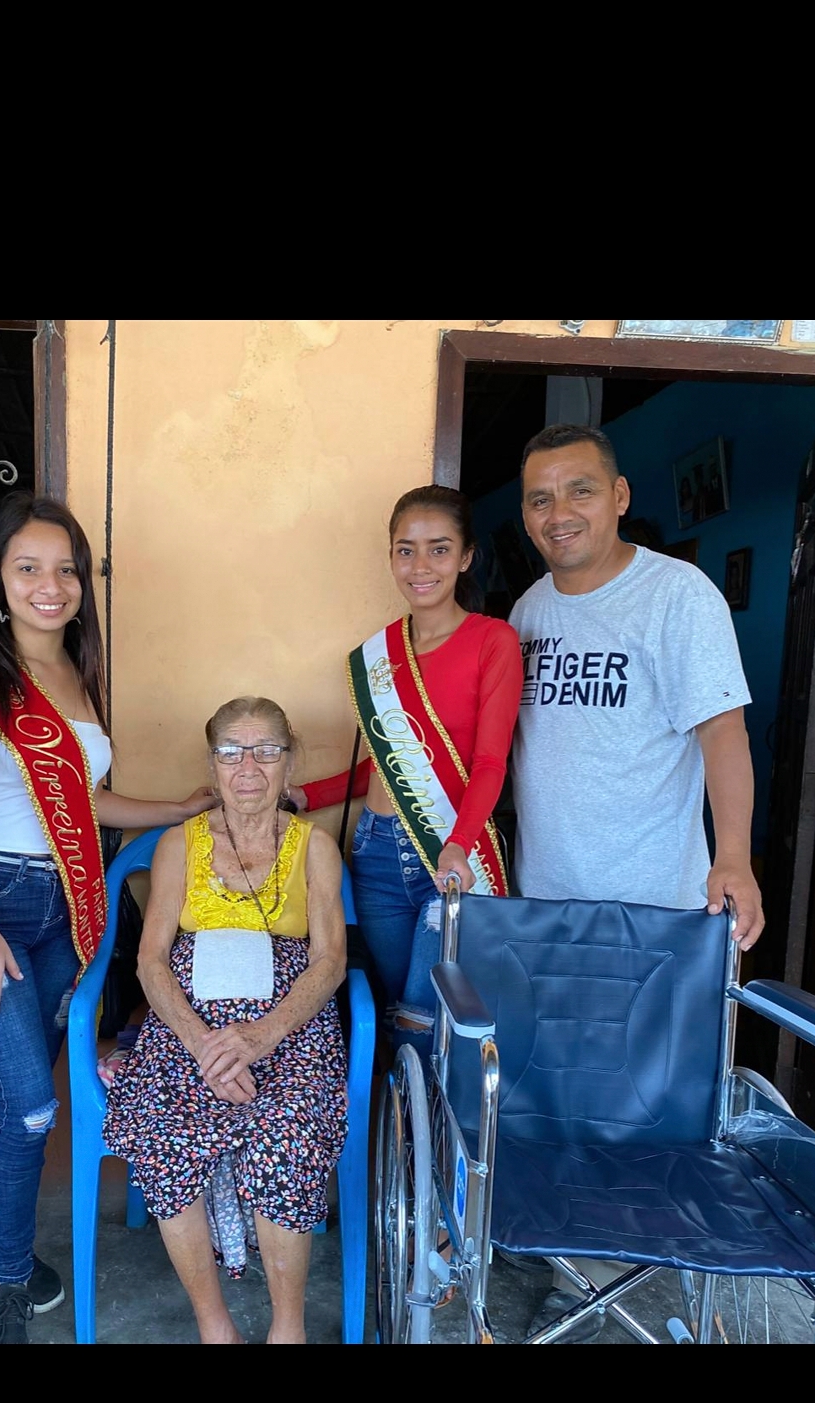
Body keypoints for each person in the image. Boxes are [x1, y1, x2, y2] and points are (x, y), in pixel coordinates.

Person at [0, 494, 212, 1346]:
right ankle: (8, 1286)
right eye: (28, 568)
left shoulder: (80, 676)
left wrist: (178, 808)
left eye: (66, 570)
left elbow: (84, 802)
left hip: (67, 912)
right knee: (31, 1105)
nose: (49, 586)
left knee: (25, 1095)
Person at [511, 422, 765, 1339]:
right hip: (547, 903)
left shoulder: (676, 595)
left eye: (580, 490)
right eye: (540, 498)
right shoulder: (529, 611)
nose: (559, 513)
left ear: (619, 497)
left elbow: (723, 732)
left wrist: (732, 855)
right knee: (558, 1087)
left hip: (655, 904)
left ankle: (622, 1259)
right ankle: (570, 1256)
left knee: (640, 1099)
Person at [107, 699, 348, 1345]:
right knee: (165, 1132)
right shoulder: (179, 846)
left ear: (289, 763)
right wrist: (204, 1046)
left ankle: (288, 1330)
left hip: (290, 1027)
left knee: (285, 1134)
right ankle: (216, 1329)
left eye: (266, 751)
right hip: (188, 1026)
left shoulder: (316, 848)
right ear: (212, 766)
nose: (248, 768)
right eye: (231, 752)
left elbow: (329, 962)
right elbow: (151, 960)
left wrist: (260, 1036)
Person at [291, 486, 523, 1051]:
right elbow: (385, 765)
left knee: (421, 1018)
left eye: (439, 549)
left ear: (466, 556)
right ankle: (401, 1111)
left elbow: (490, 761)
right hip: (375, 852)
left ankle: (427, 1113)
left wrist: (458, 844)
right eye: (406, 550)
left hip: (449, 851)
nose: (421, 566)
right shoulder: (378, 655)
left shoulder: (493, 640)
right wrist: (306, 795)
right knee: (395, 1010)